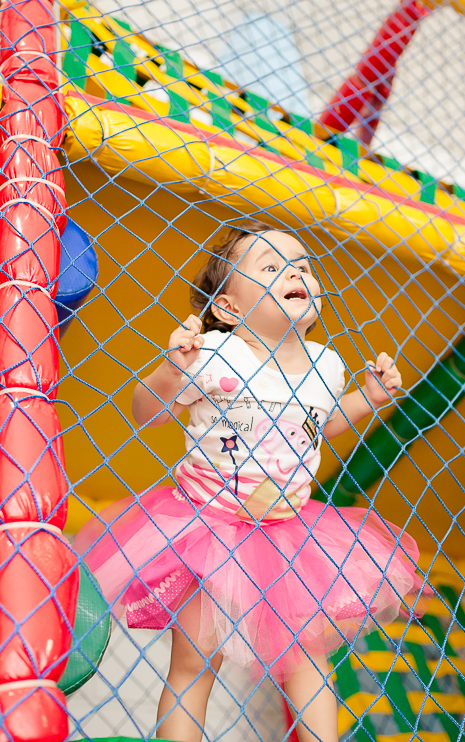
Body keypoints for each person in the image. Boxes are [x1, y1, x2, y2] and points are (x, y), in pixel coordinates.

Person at [75, 221, 427, 742]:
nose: (296, 270)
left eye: (303, 264)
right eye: (270, 266)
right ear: (230, 309)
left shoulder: (326, 364)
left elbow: (321, 424)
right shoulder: (216, 355)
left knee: (308, 656)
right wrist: (172, 372)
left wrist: (367, 399)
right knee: (195, 663)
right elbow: (148, 414)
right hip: (207, 529)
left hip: (290, 533)